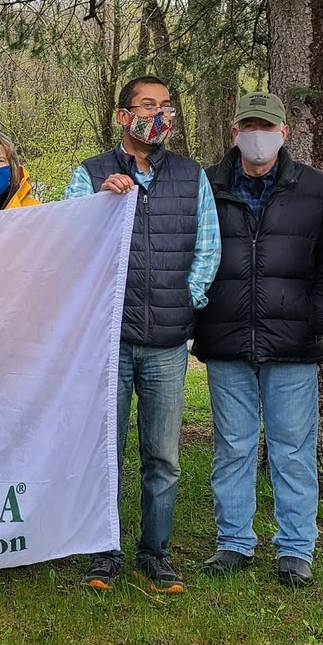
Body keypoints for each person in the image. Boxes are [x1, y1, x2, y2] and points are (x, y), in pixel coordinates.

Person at [64, 77, 220, 592]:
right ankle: (103, 551)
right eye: (147, 105)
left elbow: (208, 247)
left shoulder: (191, 175)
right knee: (105, 451)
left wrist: (186, 297)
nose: (158, 115)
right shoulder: (91, 174)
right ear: (123, 115)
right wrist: (98, 204)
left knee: (164, 458)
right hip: (109, 341)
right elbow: (68, 244)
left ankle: (156, 552)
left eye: (165, 106)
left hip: (168, 344)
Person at [193, 91, 323, 589]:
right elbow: (188, 252)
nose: (257, 136)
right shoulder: (206, 186)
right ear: (234, 132)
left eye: (266, 127)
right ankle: (234, 541)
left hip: (293, 343)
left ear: (285, 132)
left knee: (293, 451)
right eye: (248, 126)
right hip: (226, 339)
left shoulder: (317, 190)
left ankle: (296, 548)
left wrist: (316, 317)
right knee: (233, 447)